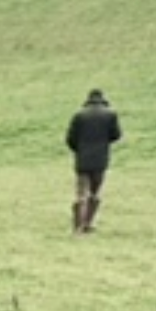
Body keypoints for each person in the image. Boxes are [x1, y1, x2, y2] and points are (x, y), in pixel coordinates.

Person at [66, 87, 122, 232]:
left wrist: (79, 149)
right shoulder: (110, 114)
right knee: (94, 193)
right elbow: (116, 135)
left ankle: (78, 225)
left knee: (81, 193)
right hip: (101, 159)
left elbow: (70, 139)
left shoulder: (79, 115)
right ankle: (88, 223)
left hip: (82, 159)